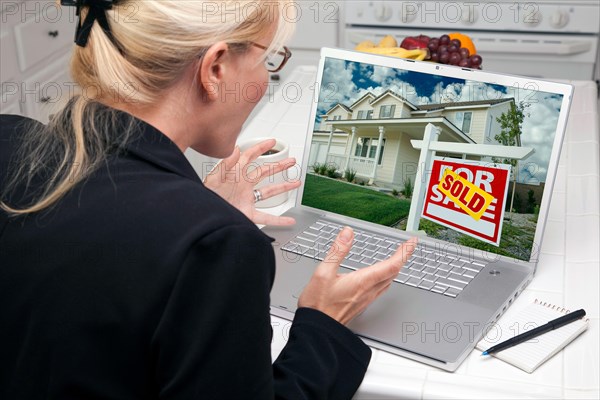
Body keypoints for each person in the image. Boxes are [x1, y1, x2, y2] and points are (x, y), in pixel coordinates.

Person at [0, 1, 416, 399]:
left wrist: (197, 207)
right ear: (215, 68)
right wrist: (323, 325)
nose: (264, 80)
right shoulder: (217, 246)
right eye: (267, 61)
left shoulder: (8, 137)